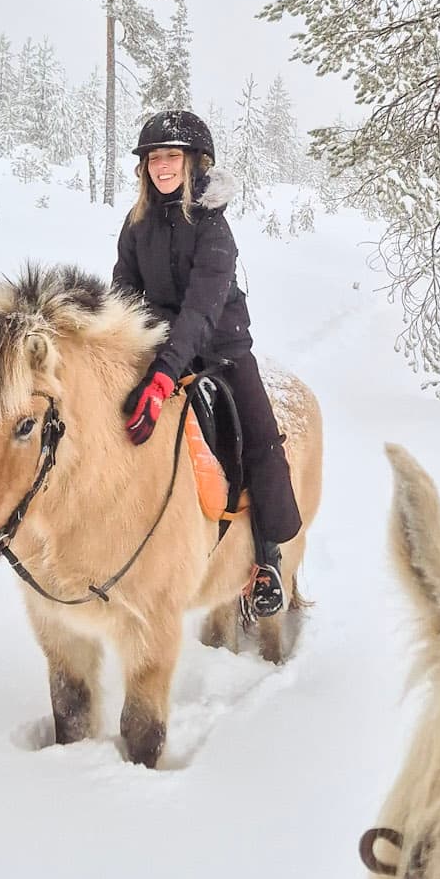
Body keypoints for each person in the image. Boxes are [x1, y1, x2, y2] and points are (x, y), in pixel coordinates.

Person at [111, 109, 301, 617]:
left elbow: (200, 310)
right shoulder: (137, 224)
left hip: (220, 348)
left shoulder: (214, 227)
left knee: (260, 439)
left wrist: (165, 374)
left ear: (195, 162)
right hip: (157, 346)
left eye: (171, 156)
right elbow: (123, 293)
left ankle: (267, 559)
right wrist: (118, 350)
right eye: (154, 157)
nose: (161, 166)